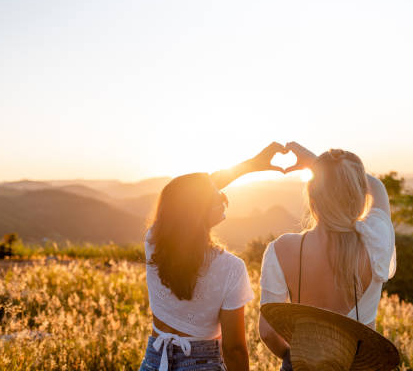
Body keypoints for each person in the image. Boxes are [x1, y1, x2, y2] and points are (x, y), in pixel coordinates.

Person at [140, 142, 288, 371]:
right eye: (215, 195)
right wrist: (251, 166)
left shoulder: (155, 241)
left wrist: (251, 165)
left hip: (154, 361)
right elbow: (234, 350)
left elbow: (187, 198)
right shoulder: (231, 268)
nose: (223, 196)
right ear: (198, 210)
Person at [258, 142, 397, 370]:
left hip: (301, 364)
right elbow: (378, 188)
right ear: (359, 195)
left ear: (311, 196)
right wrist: (318, 164)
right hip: (356, 365)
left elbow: (267, 332)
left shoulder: (282, 249)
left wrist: (295, 359)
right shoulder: (376, 242)